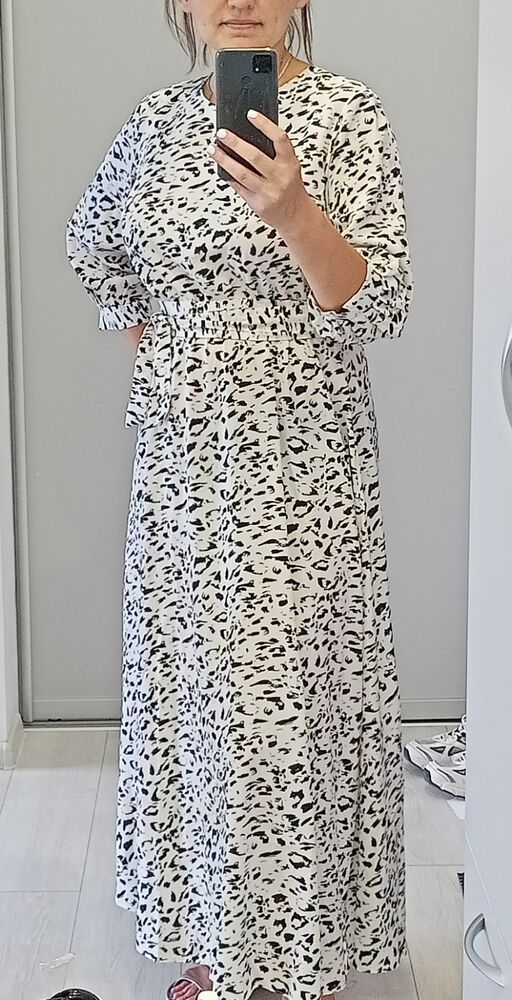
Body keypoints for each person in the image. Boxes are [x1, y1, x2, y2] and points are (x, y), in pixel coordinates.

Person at [65, 1, 414, 999]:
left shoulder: (348, 115)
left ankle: (302, 960)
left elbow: (381, 302)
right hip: (183, 477)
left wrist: (295, 213)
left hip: (306, 475)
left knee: (294, 706)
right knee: (199, 703)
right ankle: (222, 946)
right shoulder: (152, 125)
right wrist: (172, 354)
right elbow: (96, 248)